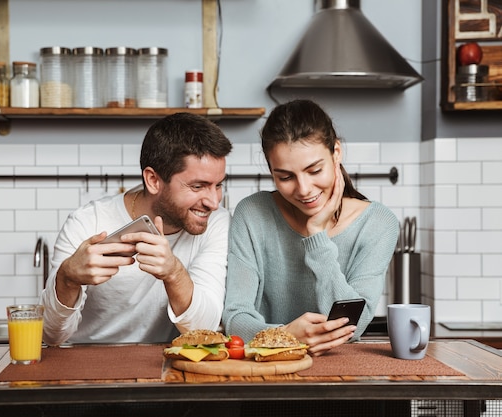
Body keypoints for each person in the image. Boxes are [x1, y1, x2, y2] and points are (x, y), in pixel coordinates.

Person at [222, 99, 399, 357]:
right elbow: (235, 318)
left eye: (314, 170)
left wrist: (317, 235)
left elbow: (353, 325)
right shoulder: (252, 214)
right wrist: (286, 336)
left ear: (336, 153)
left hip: (344, 381)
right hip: (266, 377)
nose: (304, 190)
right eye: (285, 177)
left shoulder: (378, 223)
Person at [41, 112, 233, 346]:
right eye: (198, 186)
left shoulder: (217, 223)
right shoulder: (88, 222)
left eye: (218, 185)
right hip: (85, 363)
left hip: (164, 368)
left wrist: (173, 272)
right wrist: (67, 278)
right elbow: (50, 336)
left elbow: (205, 330)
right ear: (153, 180)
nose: (214, 202)